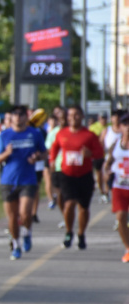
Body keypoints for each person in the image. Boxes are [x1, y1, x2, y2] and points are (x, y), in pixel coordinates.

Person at [0, 105, 46, 260]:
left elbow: (44, 153)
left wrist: (37, 157)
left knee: (25, 213)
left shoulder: (34, 133)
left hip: (28, 179)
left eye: (21, 114)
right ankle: (16, 245)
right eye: (15, 114)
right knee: (12, 217)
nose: (18, 117)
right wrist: (6, 153)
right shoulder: (5, 135)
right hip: (8, 181)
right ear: (11, 117)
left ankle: (27, 232)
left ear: (26, 117)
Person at [49, 106, 105, 250]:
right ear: (67, 117)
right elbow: (55, 147)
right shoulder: (62, 133)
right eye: (70, 115)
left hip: (84, 175)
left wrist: (90, 154)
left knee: (83, 208)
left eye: (76, 115)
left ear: (82, 116)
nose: (73, 118)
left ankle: (81, 233)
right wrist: (52, 160)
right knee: (69, 204)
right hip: (67, 174)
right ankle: (69, 232)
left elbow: (99, 153)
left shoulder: (89, 135)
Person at [104, 113, 129, 262]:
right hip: (119, 187)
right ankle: (128, 248)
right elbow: (108, 162)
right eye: (125, 124)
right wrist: (107, 171)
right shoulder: (116, 144)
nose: (128, 127)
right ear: (120, 127)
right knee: (120, 217)